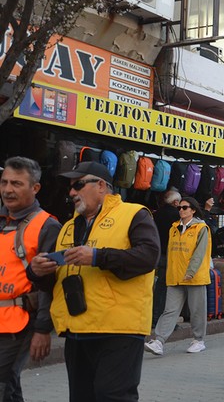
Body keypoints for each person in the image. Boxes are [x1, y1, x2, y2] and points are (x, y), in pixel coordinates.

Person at [29, 161, 160, 401]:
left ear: (101, 186)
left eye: (78, 185)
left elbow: (149, 257)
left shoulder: (134, 214)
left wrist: (99, 256)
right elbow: (56, 283)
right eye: (71, 187)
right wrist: (38, 272)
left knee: (112, 397)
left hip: (119, 330)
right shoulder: (68, 227)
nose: (71, 193)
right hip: (77, 329)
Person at [0, 157, 62, 402]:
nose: (7, 189)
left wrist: (43, 329)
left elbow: (50, 284)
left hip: (20, 321)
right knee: (9, 386)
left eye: (16, 183)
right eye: (4, 182)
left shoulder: (47, 226)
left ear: (35, 188)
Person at [145, 196, 212, 356]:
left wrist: (191, 272)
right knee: (170, 310)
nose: (181, 210)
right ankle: (159, 341)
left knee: (197, 310)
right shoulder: (173, 228)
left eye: (185, 207)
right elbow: (170, 252)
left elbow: (199, 253)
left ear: (193, 210)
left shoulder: (201, 228)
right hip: (175, 275)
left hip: (194, 277)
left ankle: (198, 340)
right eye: (179, 208)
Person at [152, 189, 181, 327]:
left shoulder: (158, 214)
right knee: (169, 289)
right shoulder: (176, 215)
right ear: (175, 202)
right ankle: (163, 320)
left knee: (160, 287)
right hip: (172, 255)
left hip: (159, 253)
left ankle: (155, 316)